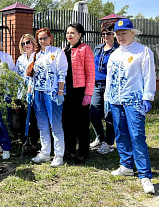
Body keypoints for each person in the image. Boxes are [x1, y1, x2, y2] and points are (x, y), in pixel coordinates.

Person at [104, 19, 156, 194]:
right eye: (118, 34)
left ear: (132, 33)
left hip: (134, 100)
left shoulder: (143, 52)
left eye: (124, 33)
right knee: (120, 133)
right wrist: (107, 98)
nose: (120, 37)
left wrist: (147, 97)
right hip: (116, 100)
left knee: (137, 136)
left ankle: (144, 175)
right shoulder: (114, 54)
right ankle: (126, 164)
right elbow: (109, 78)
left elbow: (149, 76)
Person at [26, 28, 68, 167]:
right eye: (40, 39)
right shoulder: (37, 55)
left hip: (53, 94)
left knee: (55, 124)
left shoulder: (57, 52)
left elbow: (62, 74)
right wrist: (30, 92)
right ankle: (45, 152)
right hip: (38, 93)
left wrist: (60, 92)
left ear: (50, 38)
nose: (42, 41)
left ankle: (58, 154)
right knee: (42, 124)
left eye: (45, 38)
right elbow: (32, 76)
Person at [62, 24, 95, 164]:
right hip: (66, 92)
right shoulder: (64, 50)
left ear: (79, 34)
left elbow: (91, 73)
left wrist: (88, 94)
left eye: (72, 33)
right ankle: (69, 150)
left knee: (81, 124)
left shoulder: (85, 49)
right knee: (67, 123)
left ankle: (83, 152)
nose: (69, 35)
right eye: (68, 33)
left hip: (80, 91)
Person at [89, 21, 119, 155]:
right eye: (104, 34)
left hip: (110, 86)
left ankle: (109, 143)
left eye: (109, 33)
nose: (106, 36)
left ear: (114, 34)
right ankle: (100, 138)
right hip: (96, 85)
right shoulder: (98, 48)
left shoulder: (118, 50)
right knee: (93, 114)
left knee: (109, 116)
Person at [16, 34, 39, 154]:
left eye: (28, 42)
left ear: (33, 43)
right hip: (22, 93)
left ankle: (34, 143)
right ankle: (24, 142)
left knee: (34, 119)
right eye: (23, 43)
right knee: (23, 119)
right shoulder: (20, 59)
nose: (26, 45)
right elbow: (17, 76)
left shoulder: (38, 57)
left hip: (35, 93)